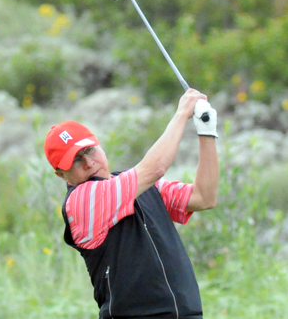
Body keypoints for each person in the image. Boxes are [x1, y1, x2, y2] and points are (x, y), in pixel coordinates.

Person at [44, 88, 219, 319]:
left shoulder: (143, 186)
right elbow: (154, 169)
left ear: (99, 145)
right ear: (61, 175)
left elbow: (204, 197)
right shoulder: (81, 201)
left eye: (89, 151)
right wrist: (181, 115)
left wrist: (206, 131)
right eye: (76, 160)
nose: (88, 163)